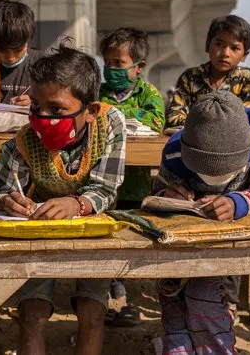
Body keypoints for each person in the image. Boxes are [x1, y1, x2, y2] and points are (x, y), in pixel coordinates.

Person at [0, 41, 126, 355]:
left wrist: (77, 203)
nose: (42, 117)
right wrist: (6, 201)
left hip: (91, 229)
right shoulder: (23, 142)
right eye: (36, 107)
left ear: (90, 111)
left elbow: (107, 190)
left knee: (91, 309)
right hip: (38, 228)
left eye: (56, 110)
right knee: (30, 314)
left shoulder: (110, 125)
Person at [152, 91, 250, 354]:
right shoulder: (175, 149)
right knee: (173, 294)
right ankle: (178, 346)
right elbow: (157, 194)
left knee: (205, 299)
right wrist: (168, 195)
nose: (215, 179)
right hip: (189, 240)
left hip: (234, 237)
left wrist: (237, 202)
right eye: (204, 171)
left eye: (225, 171)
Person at [98, 27, 165, 325]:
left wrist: (121, 115)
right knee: (106, 235)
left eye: (119, 64)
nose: (111, 69)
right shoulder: (97, 93)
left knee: (134, 236)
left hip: (135, 183)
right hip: (103, 180)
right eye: (108, 62)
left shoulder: (148, 94)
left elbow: (157, 120)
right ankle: (114, 295)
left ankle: (136, 293)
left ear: (138, 68)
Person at [165, 15, 250, 128]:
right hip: (195, 141)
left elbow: (246, 116)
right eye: (219, 44)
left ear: (244, 55)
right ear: (207, 45)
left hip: (233, 142)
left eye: (234, 48)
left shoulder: (246, 78)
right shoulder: (190, 78)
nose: (225, 53)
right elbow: (174, 115)